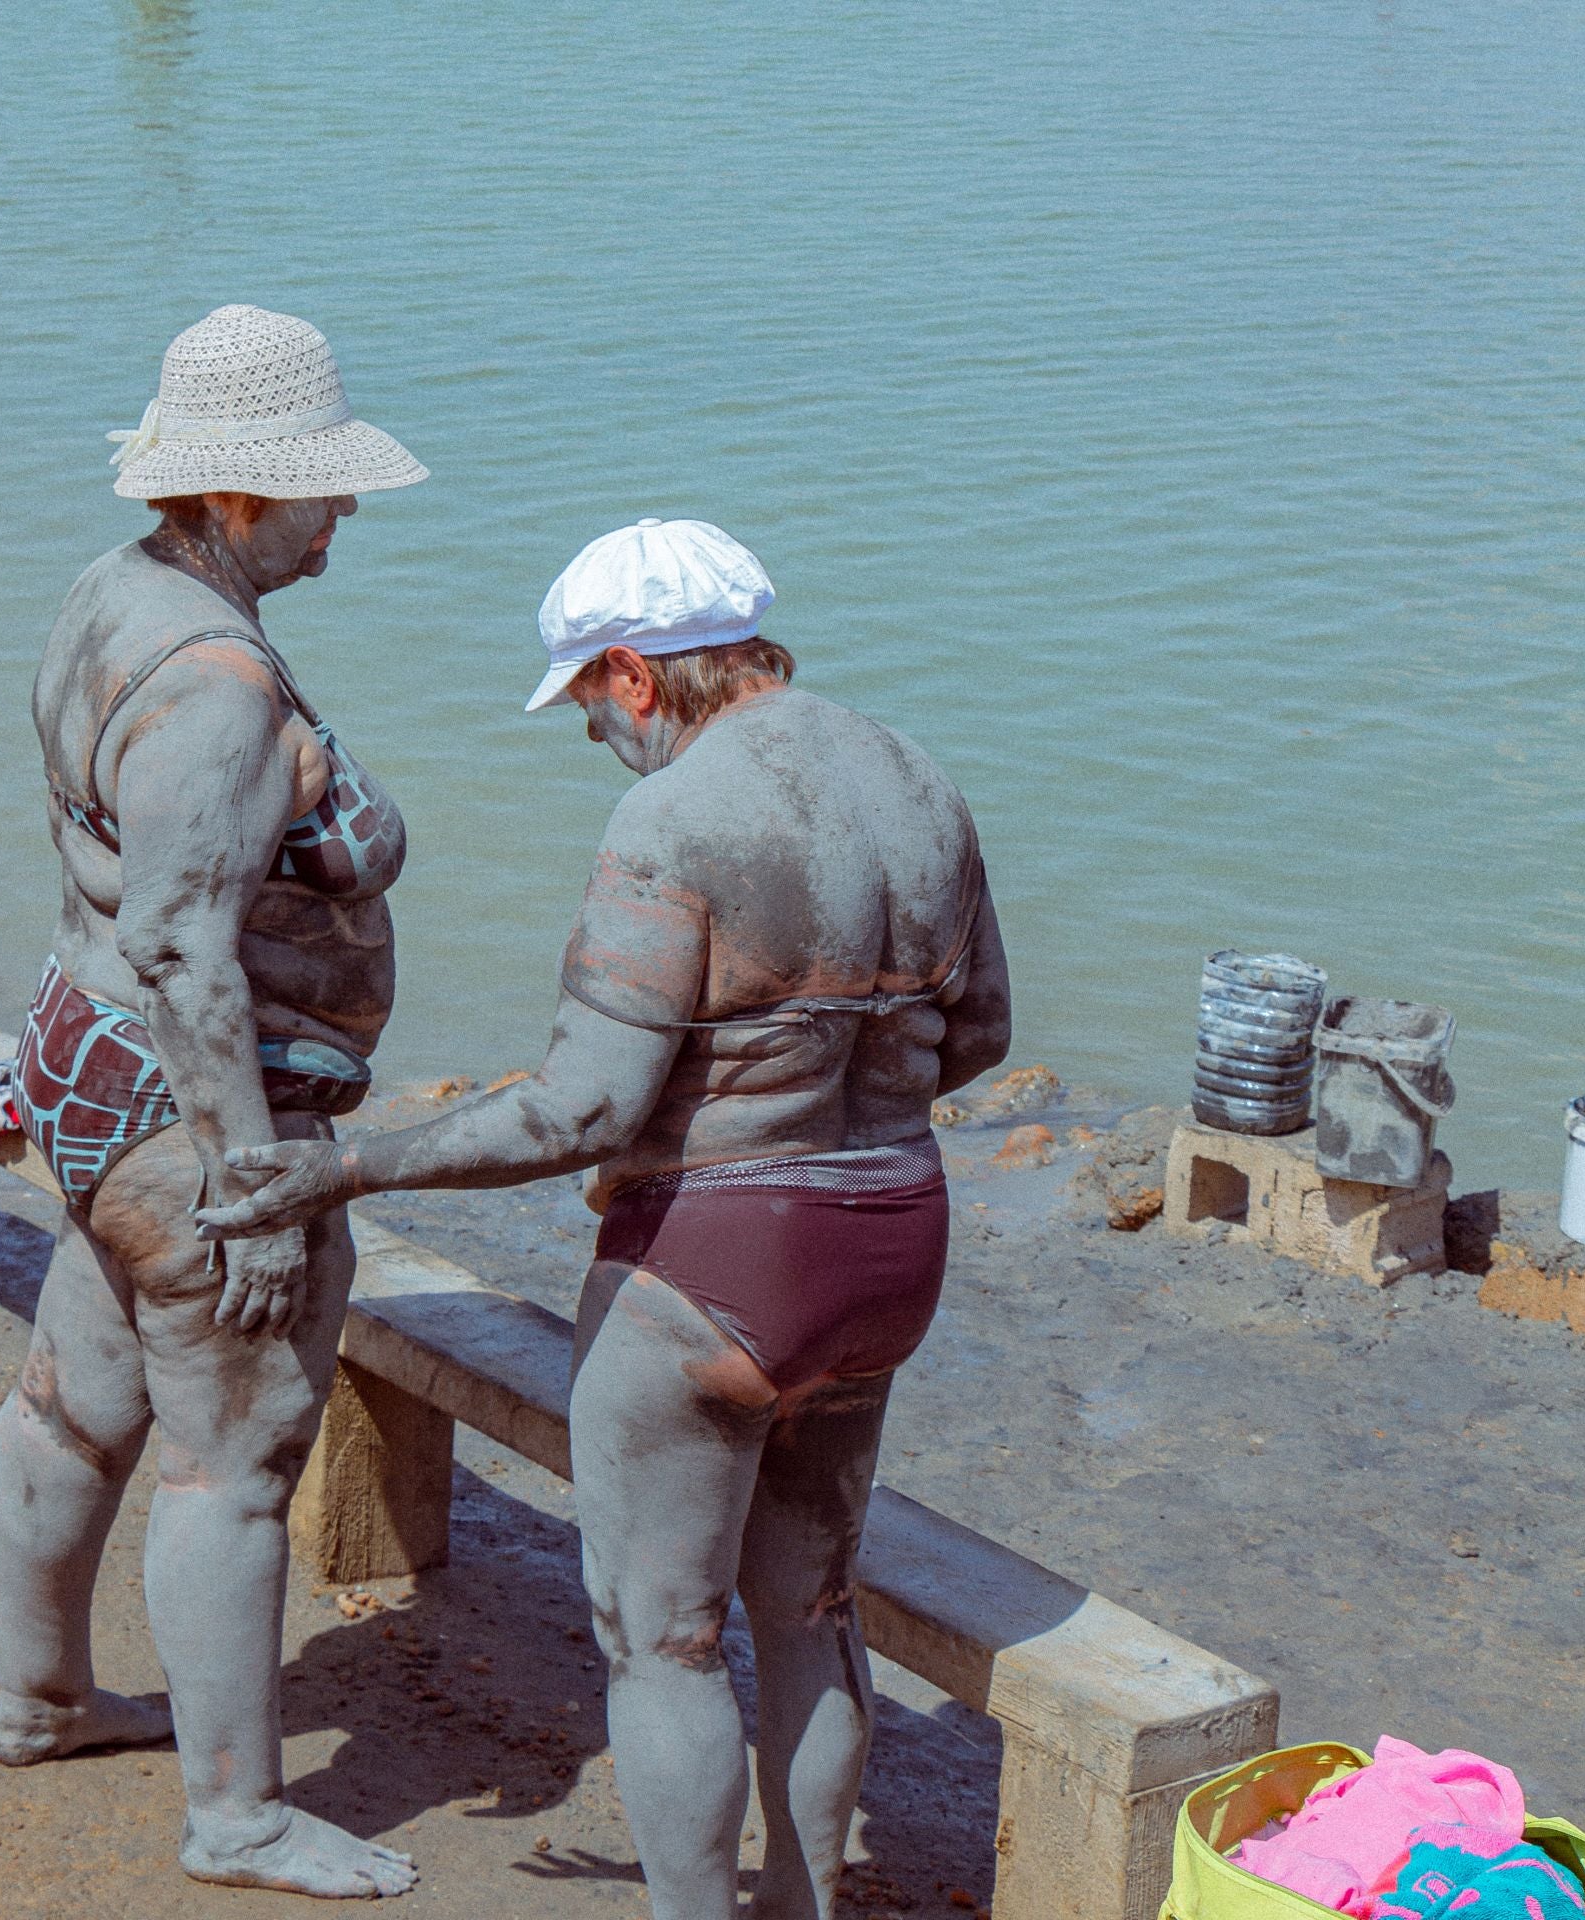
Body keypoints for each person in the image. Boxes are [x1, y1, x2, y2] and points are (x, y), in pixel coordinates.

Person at [197, 516, 1012, 1920]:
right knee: (814, 1611)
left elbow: (579, 1112)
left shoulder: (671, 820)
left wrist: (345, 1169)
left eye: (587, 700)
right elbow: (983, 1033)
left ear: (638, 674)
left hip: (719, 1268)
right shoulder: (917, 778)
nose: (592, 734)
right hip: (891, 1250)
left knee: (667, 1642)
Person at [0, 304, 425, 1899]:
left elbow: (118, 891)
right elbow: (182, 943)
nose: (345, 511)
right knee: (232, 1460)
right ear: (236, 501)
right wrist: (254, 1181)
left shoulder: (113, 594)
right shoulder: (223, 688)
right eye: (320, 488)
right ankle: (237, 1818)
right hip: (190, 1108)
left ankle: (40, 1703)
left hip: (80, 1063)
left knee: (73, 1402)